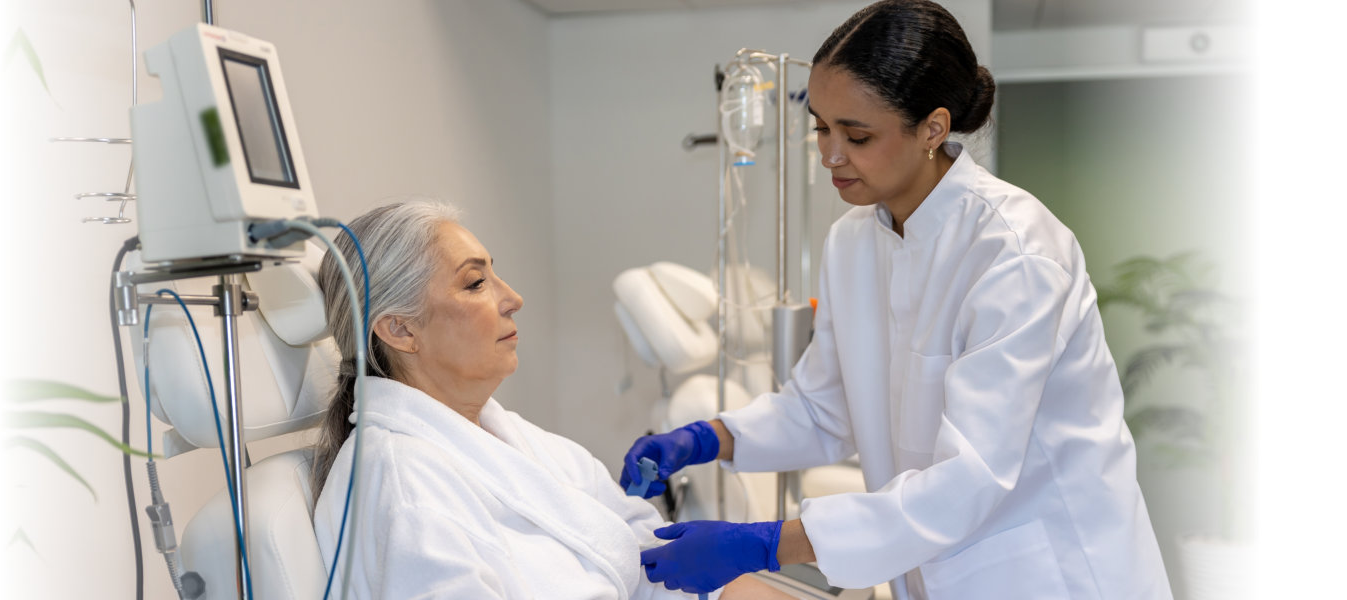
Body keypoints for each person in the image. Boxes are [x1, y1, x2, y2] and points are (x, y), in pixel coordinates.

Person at [624, 1, 1172, 598]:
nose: (831, 155)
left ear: (933, 129)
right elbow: (823, 406)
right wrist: (705, 438)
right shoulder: (853, 243)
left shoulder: (1015, 253)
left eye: (856, 135)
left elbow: (969, 478)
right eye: (820, 128)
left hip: (1048, 570)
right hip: (934, 568)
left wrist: (765, 542)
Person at [308, 200, 788, 599]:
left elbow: (655, 558)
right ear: (401, 330)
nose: (513, 297)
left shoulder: (521, 442)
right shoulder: (404, 488)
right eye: (475, 283)